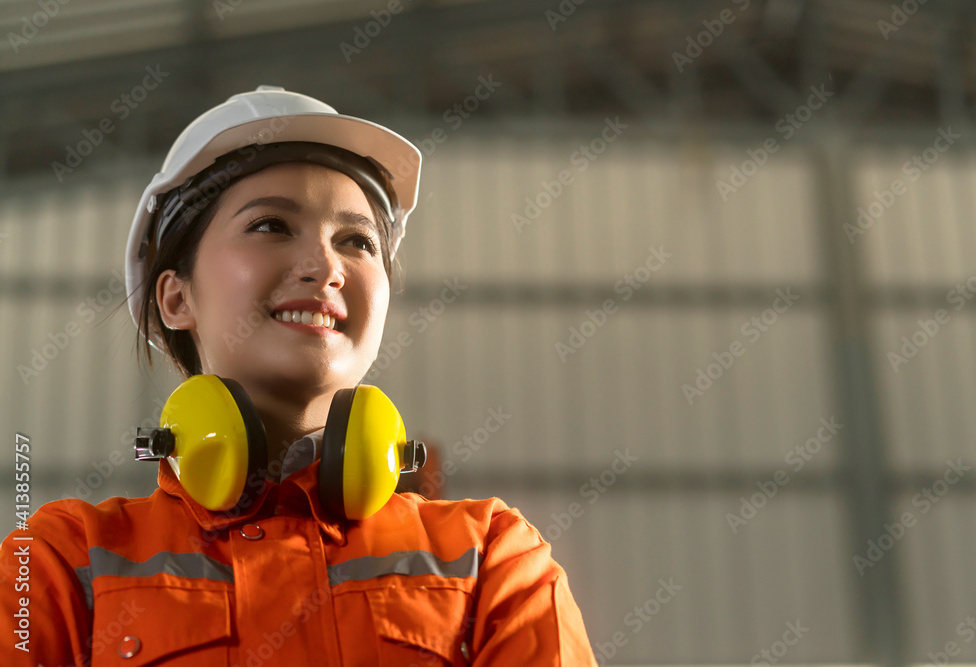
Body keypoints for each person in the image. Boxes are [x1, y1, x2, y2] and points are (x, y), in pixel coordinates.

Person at [0, 85, 597, 665]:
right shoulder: (59, 564)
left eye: (358, 241)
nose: (326, 267)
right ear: (176, 297)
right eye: (270, 226)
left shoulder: (488, 558)